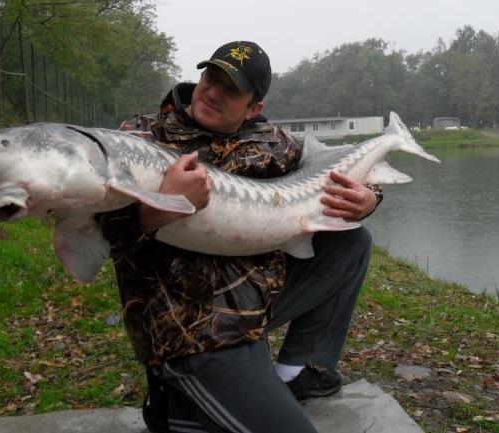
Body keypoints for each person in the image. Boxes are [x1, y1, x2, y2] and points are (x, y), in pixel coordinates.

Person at [98, 41, 381, 433]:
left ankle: (293, 372)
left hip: (254, 305)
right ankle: (173, 393)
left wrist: (369, 199)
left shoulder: (274, 143)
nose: (212, 92)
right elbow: (100, 233)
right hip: (192, 329)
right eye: (211, 77)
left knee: (352, 240)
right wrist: (163, 206)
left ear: (253, 109)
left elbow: (338, 164)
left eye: (230, 89)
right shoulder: (142, 136)